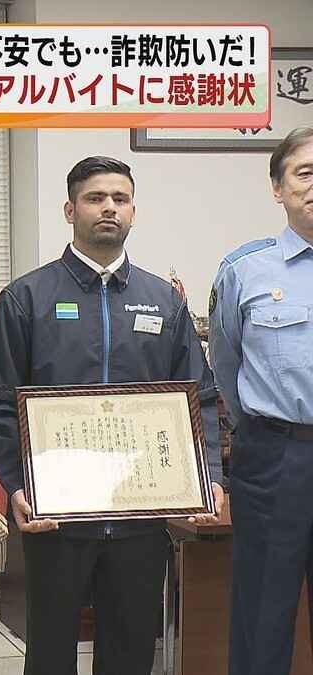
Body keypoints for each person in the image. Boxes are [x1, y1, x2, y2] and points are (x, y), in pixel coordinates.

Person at [0, 156, 224, 675]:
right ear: (70, 210)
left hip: (140, 518)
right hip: (55, 519)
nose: (109, 207)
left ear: (133, 211)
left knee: (131, 650)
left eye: (120, 199)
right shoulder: (27, 299)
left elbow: (198, 398)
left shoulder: (163, 302)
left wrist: (208, 478)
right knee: (50, 652)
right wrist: (17, 485)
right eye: (95, 198)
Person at [210, 126, 313, 675]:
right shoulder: (244, 270)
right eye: (305, 173)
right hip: (276, 456)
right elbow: (226, 366)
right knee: (263, 612)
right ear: (278, 188)